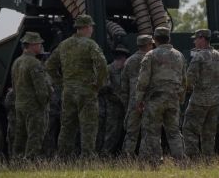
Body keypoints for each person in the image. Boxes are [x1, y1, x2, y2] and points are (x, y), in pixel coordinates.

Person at [46, 14, 108, 158]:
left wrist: (61, 82)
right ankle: (87, 157)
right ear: (86, 27)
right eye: (91, 26)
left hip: (68, 91)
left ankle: (62, 158)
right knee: (88, 126)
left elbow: (49, 65)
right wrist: (98, 84)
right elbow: (102, 65)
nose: (92, 29)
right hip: (87, 91)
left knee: (67, 126)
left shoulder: (64, 44)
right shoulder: (90, 44)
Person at [134, 26, 186, 167]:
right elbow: (184, 79)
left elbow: (143, 80)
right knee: (174, 132)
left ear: (155, 39)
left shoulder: (150, 55)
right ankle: (181, 162)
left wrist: (139, 100)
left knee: (152, 132)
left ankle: (156, 163)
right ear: (169, 38)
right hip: (173, 98)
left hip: (155, 99)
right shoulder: (179, 55)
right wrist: (180, 98)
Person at [182, 29, 219, 160]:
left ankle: (193, 159)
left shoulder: (199, 57)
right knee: (208, 133)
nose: (194, 41)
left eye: (196, 38)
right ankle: (208, 161)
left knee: (189, 129)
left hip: (199, 101)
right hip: (215, 102)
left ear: (202, 39)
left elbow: (189, 80)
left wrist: (185, 90)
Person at [10, 31, 52, 160]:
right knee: (35, 136)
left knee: (20, 136)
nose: (40, 46)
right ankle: (30, 162)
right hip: (34, 107)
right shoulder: (34, 63)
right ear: (32, 45)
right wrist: (45, 103)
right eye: (39, 43)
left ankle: (17, 162)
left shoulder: (17, 62)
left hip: (20, 105)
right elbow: (41, 89)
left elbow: (14, 86)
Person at [120, 34, 154, 157]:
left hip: (133, 101)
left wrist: (126, 103)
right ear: (149, 45)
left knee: (131, 132)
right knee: (148, 131)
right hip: (149, 100)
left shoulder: (129, 61)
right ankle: (145, 158)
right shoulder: (153, 59)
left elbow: (123, 85)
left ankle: (127, 156)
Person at [99, 45, 130, 157]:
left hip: (123, 106)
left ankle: (114, 154)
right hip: (112, 106)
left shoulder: (125, 70)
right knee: (111, 132)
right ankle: (105, 154)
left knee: (121, 132)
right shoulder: (108, 69)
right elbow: (103, 88)